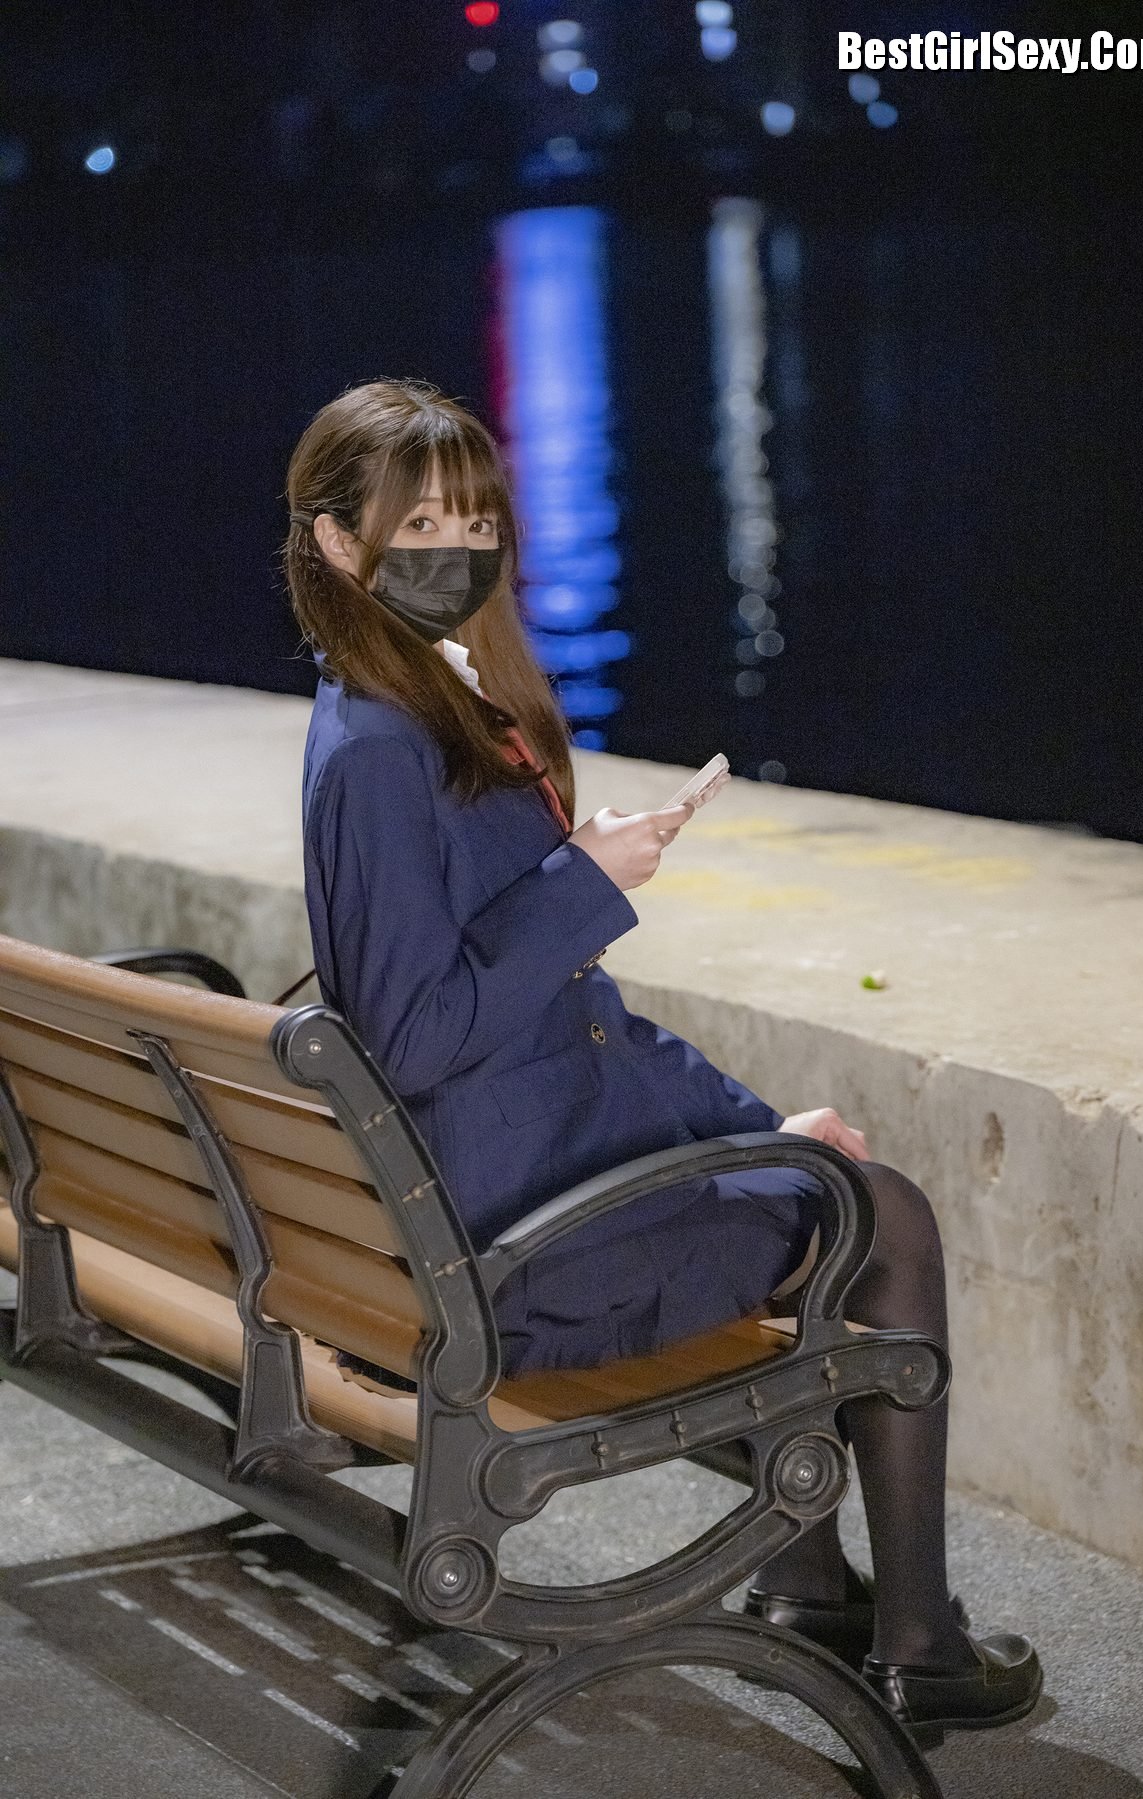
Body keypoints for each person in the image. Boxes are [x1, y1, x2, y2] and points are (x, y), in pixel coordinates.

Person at [282, 376, 1042, 1739]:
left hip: (480, 1205)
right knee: (889, 1223)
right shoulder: (383, 748)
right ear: (338, 543)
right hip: (512, 1259)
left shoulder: (399, 712)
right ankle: (922, 1642)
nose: (458, 551)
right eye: (420, 525)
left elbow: (566, 1023)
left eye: (476, 522)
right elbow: (421, 1034)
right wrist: (579, 881)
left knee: (818, 1182)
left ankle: (808, 1589)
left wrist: (759, 1125)